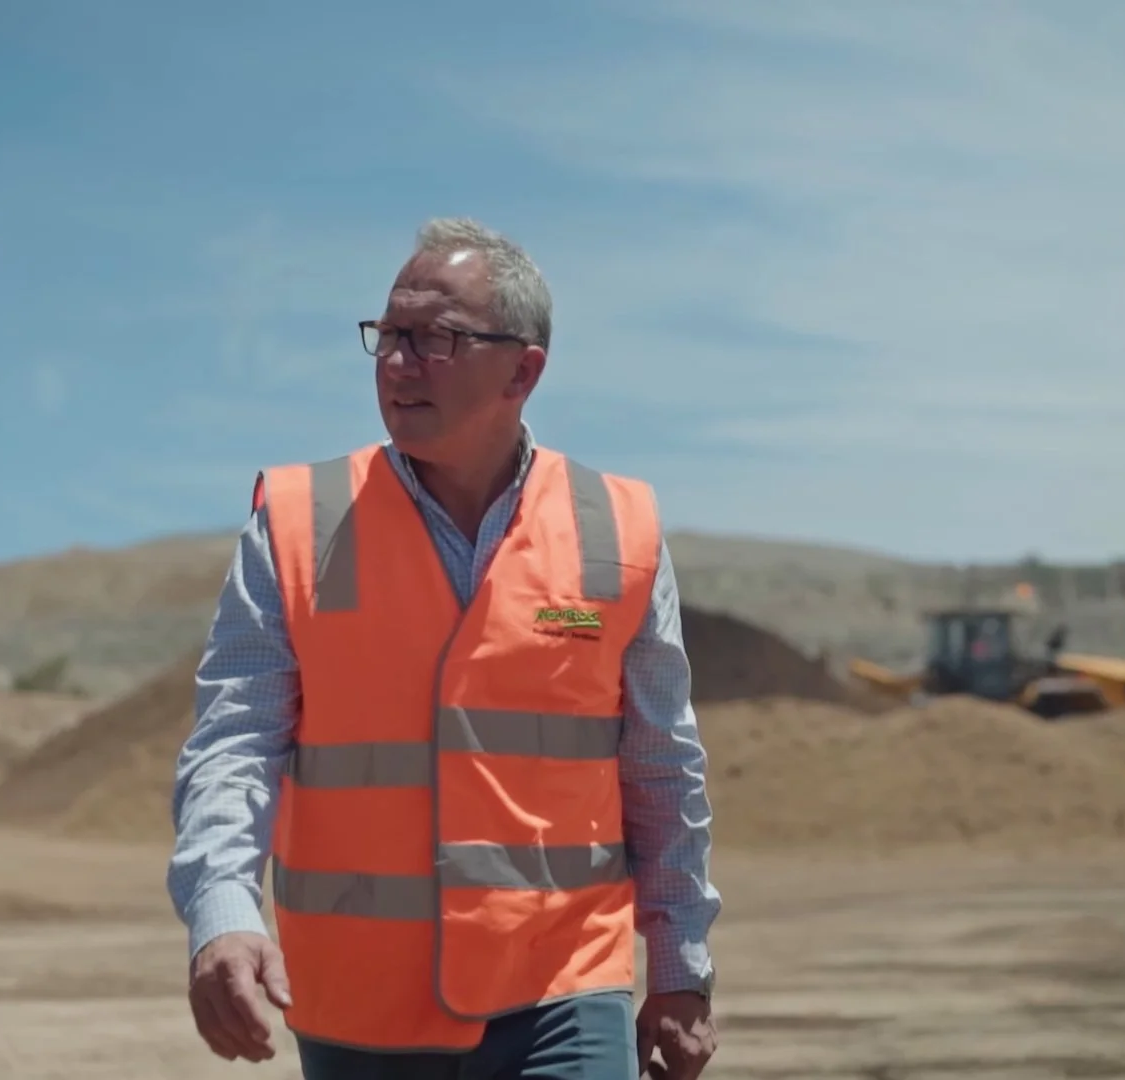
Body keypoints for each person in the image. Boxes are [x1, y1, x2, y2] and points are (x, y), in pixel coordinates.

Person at [167, 217, 722, 1080]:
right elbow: (235, 743)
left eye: (436, 339)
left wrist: (681, 965)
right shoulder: (298, 524)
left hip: (562, 986)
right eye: (388, 335)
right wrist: (222, 912)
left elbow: (660, 764)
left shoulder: (618, 531)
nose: (397, 362)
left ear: (523, 371)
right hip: (359, 1005)